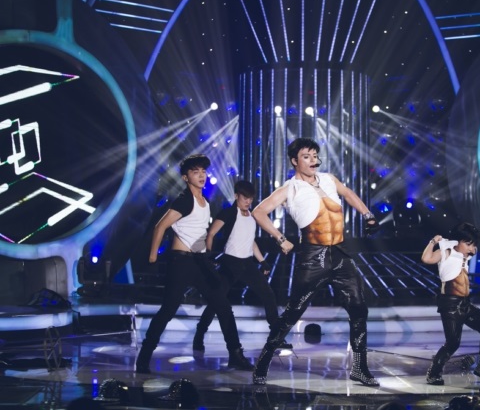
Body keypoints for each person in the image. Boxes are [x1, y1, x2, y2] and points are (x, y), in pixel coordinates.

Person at [250, 138, 380, 386]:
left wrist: (368, 215)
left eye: (314, 155)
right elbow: (258, 212)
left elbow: (348, 193)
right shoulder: (290, 189)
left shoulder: (329, 179)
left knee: (358, 307)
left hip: (340, 254)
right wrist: (280, 239)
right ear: (294, 161)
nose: (313, 160)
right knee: (293, 312)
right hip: (312, 257)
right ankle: (263, 361)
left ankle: (360, 368)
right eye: (306, 156)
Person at [135, 154, 253, 374]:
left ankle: (236, 355)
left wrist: (207, 256)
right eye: (195, 172)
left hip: (199, 261)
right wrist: (152, 256)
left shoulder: (204, 201)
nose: (201, 175)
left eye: (203, 171)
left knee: (223, 306)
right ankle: (144, 356)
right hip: (181, 261)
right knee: (168, 309)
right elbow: (160, 226)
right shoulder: (184, 200)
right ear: (185, 177)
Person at [192, 180, 292, 351]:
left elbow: (250, 241)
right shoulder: (228, 213)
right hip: (230, 263)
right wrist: (208, 256)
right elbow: (211, 233)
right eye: (245, 198)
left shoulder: (252, 217)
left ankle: (276, 337)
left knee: (268, 295)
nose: (248, 201)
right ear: (236, 196)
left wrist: (262, 261)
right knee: (216, 301)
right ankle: (200, 334)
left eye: (250, 198)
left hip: (247, 264)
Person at [421, 223, 480, 385]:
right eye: (468, 244)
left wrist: (470, 248)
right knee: (453, 343)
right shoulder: (446, 252)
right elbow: (426, 259)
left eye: (473, 244)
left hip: (465, 304)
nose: (472, 248)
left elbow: (471, 250)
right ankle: (433, 373)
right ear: (458, 241)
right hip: (450, 305)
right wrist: (433, 241)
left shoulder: (466, 255)